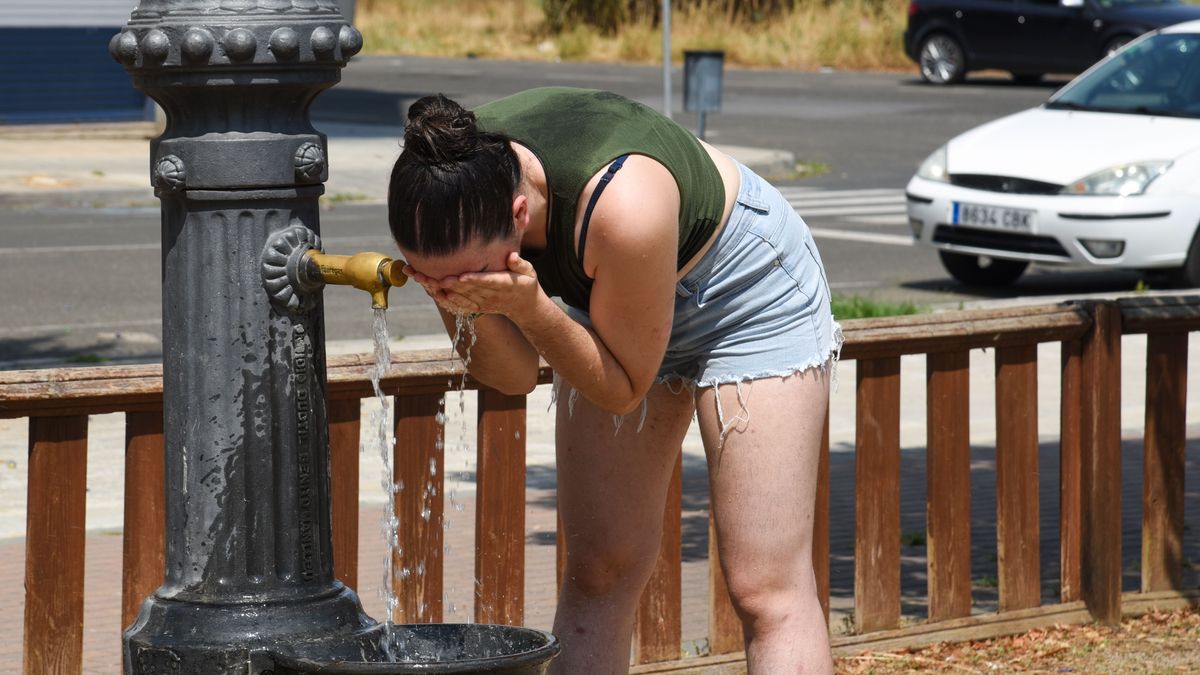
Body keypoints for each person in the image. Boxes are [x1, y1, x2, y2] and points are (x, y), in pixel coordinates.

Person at [388, 87, 839, 674]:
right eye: (434, 279)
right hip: (615, 291)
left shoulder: (623, 207)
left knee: (764, 585)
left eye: (470, 275)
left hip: (745, 289)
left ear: (519, 215)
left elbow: (624, 390)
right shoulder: (443, 187)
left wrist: (530, 310)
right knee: (600, 566)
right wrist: (455, 295)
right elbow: (514, 376)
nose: (458, 289)